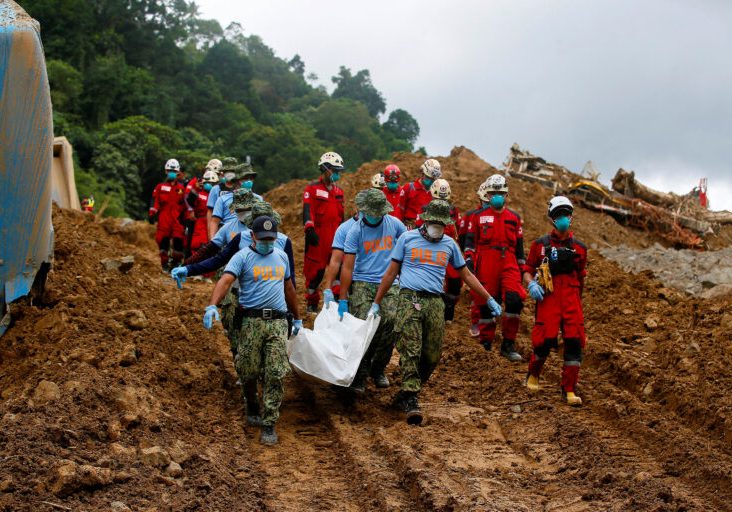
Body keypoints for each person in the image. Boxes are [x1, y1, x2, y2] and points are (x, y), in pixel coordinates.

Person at [372, 200, 501, 424]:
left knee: (431, 355)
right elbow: (391, 272)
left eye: (443, 224)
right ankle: (411, 397)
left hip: (434, 303)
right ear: (425, 220)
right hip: (409, 299)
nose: (438, 227)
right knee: (411, 349)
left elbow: (466, 275)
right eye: (435, 222)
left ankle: (405, 393)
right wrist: (377, 302)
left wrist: (488, 298)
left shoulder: (449, 245)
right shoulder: (407, 239)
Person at [203, 216, 302, 445]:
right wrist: (212, 305)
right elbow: (226, 281)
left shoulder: (281, 256)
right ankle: (252, 401)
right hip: (252, 322)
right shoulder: (242, 257)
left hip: (277, 322)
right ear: (254, 236)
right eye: (264, 238)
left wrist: (297, 318)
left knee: (276, 372)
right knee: (247, 369)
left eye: (272, 238)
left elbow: (289, 287)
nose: (268, 242)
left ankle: (269, 423)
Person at [338, 189, 406, 392]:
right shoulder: (355, 231)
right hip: (363, 282)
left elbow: (408, 245)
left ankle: (378, 368)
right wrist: (343, 298)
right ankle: (360, 371)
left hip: (390, 282)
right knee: (364, 327)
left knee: (392, 322)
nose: (377, 215)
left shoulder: (394, 225)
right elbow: (347, 267)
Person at [522, 196, 588, 407]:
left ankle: (569, 388)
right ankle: (533, 374)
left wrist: (578, 300)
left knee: (574, 342)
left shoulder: (580, 248)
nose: (563, 219)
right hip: (549, 296)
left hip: (571, 297)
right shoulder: (540, 245)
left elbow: (582, 276)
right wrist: (531, 284)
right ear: (552, 218)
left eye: (566, 215)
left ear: (572, 217)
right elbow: (527, 270)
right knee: (544, 340)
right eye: (558, 215)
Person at [464, 175, 525, 362]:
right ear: (488, 194)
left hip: (509, 261)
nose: (497, 196)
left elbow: (520, 248)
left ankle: (508, 344)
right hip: (486, 260)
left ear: (506, 194)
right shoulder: (477, 217)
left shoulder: (514, 218)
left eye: (500, 193)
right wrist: (469, 262)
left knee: (515, 300)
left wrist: (522, 270)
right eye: (493, 193)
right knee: (486, 304)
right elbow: (470, 243)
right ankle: (486, 343)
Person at [302, 152, 345, 313]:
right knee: (315, 273)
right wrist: (309, 229)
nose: (337, 174)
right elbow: (307, 211)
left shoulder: (339, 192)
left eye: (339, 171)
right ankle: (312, 304)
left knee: (338, 273)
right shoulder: (312, 189)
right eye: (335, 170)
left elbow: (341, 217)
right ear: (325, 169)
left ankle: (333, 304)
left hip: (336, 239)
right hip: (318, 239)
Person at [417, 179, 462, 323]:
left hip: (448, 248)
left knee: (455, 282)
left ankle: (448, 315)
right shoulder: (425, 209)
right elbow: (419, 228)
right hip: (430, 249)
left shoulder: (453, 210)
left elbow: (457, 229)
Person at [320, 190, 369, 310]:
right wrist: (327, 287)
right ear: (357, 207)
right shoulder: (344, 229)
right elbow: (335, 260)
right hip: (354, 279)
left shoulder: (384, 225)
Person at [149, 158, 186, 270]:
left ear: (178, 172)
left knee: (179, 242)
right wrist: (152, 213)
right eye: (170, 170)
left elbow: (185, 205)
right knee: (162, 241)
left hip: (177, 220)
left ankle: (175, 264)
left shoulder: (181, 188)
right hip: (164, 219)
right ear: (166, 171)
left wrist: (186, 221)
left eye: (174, 171)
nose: (172, 173)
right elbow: (155, 201)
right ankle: (164, 264)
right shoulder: (160, 187)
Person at [211, 162, 260, 236]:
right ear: (237, 180)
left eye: (251, 178)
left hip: (251, 239)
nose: (249, 181)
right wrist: (212, 242)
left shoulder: (258, 199)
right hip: (228, 238)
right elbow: (214, 222)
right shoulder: (223, 199)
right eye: (245, 178)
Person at [398, 158, 442, 228]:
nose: (431, 181)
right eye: (429, 178)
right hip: (409, 228)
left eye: (433, 179)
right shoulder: (409, 188)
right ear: (422, 174)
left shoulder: (436, 193)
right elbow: (400, 211)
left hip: (428, 229)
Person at [186, 170, 219, 256]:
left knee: (210, 244)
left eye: (211, 183)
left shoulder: (218, 196)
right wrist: (195, 189)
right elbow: (190, 201)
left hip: (213, 222)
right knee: (196, 244)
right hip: (200, 222)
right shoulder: (198, 194)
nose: (208, 185)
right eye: (207, 182)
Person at [206, 157, 238, 239]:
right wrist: (211, 235)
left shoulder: (240, 189)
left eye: (233, 171)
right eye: (228, 171)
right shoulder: (216, 189)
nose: (230, 174)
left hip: (238, 229)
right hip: (220, 229)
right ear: (223, 173)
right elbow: (210, 212)